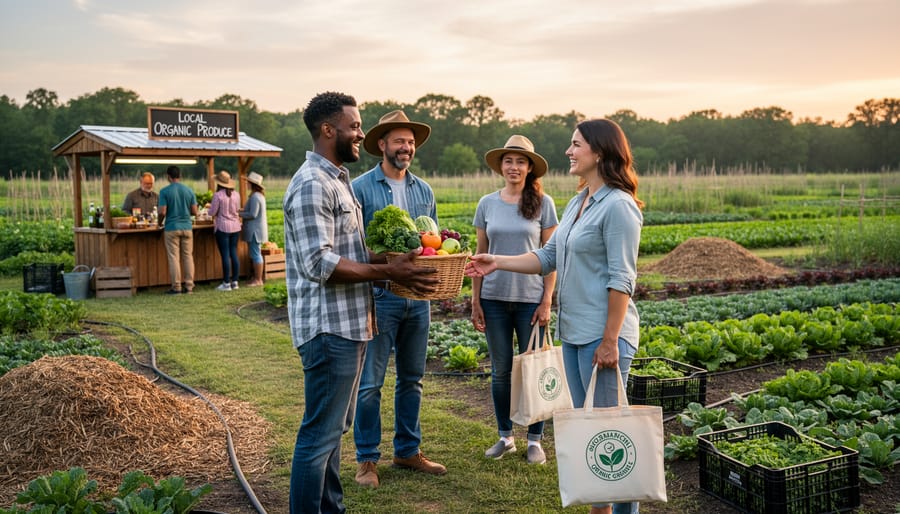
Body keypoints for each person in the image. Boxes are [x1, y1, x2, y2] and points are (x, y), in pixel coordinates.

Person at [465, 119, 644, 514]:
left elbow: (622, 278)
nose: (569, 151)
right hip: (576, 334)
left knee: (610, 437)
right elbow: (548, 257)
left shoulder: (619, 206)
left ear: (599, 152)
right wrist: (497, 262)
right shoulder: (580, 202)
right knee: (592, 433)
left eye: (576, 144)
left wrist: (611, 340)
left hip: (603, 336)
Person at [284, 92, 438, 514]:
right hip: (328, 329)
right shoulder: (312, 184)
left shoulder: (336, 180)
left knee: (331, 434)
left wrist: (394, 261)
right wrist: (390, 272)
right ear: (328, 130)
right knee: (318, 438)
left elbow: (351, 249)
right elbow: (321, 263)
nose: (360, 134)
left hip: (349, 325)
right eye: (354, 126)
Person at [351, 110, 447, 489]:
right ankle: (366, 460)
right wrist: (388, 265)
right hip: (380, 296)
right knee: (371, 382)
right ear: (382, 145)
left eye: (410, 142)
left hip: (418, 299)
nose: (406, 147)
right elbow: (354, 245)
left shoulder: (424, 190)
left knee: (413, 379)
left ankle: (407, 451)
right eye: (399, 141)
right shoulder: (360, 188)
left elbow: (433, 246)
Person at [471, 135, 558, 465]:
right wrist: (476, 301)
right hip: (493, 299)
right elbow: (479, 257)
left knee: (535, 371)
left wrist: (547, 299)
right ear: (501, 166)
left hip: (530, 301)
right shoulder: (487, 204)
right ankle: (505, 436)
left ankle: (535, 440)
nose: (514, 166)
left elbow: (552, 256)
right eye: (508, 160)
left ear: (530, 167)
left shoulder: (543, 203)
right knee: (501, 371)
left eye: (521, 161)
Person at [158, 165, 198, 295]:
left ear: (168, 176)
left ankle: (176, 287)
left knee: (174, 258)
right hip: (187, 227)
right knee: (188, 257)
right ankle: (189, 286)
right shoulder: (189, 190)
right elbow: (194, 211)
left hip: (171, 227)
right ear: (180, 176)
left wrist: (159, 222)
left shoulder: (164, 191)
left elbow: (162, 211)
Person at [209, 170, 241, 291]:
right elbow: (237, 209)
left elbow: (212, 212)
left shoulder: (218, 195)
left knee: (225, 255)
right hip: (236, 226)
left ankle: (226, 283)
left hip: (222, 227)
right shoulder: (236, 194)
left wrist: (208, 209)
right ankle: (235, 282)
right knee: (234, 253)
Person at [240, 171, 268, 287]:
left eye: (248, 182)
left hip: (255, 231)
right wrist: (241, 210)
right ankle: (256, 278)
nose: (247, 184)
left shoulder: (255, 197)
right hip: (256, 230)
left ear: (252, 184)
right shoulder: (258, 196)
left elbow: (253, 214)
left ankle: (258, 280)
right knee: (255, 253)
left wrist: (238, 214)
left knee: (256, 254)